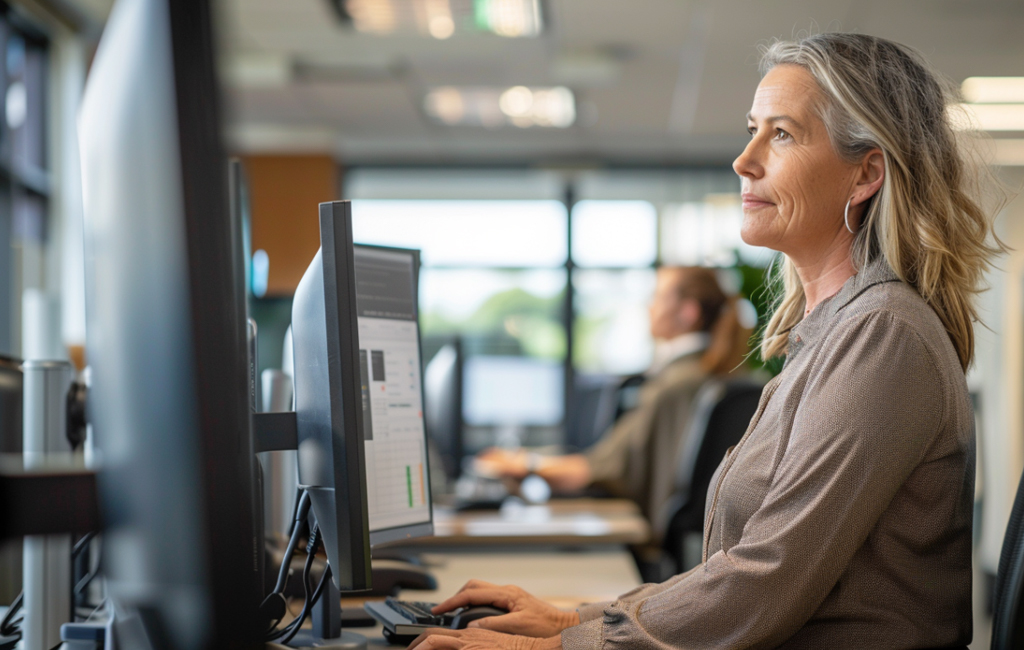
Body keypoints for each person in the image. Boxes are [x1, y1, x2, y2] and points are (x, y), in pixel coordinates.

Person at [410, 33, 1001, 650]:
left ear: (866, 173)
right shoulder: (833, 334)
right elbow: (737, 572)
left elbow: (762, 581)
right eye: (752, 130)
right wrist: (576, 620)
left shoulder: (883, 335)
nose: (745, 160)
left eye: (782, 134)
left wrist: (560, 648)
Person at [475, 266, 751, 533]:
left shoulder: (673, 385)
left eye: (657, 296)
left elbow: (601, 469)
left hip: (647, 536)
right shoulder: (720, 374)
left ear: (688, 312)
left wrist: (525, 465)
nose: (649, 307)